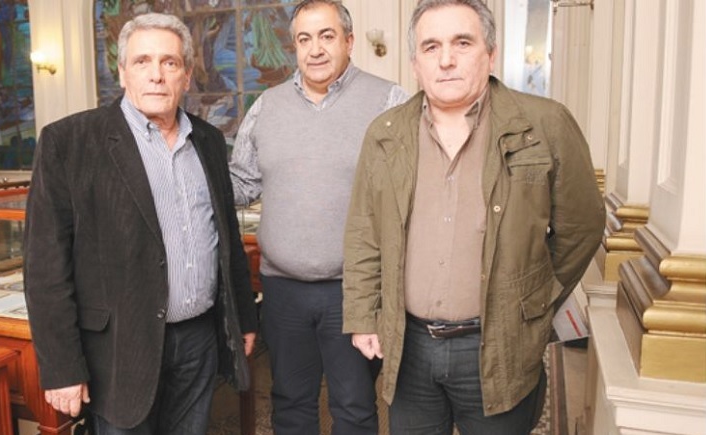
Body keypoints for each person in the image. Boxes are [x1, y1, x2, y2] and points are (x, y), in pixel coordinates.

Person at [342, 0, 605, 434]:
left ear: (491, 53)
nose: (446, 59)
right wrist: (362, 316)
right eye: (431, 47)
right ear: (415, 63)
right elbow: (363, 234)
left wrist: (533, 302)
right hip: (409, 347)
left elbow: (582, 227)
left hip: (499, 346)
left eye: (462, 43)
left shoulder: (545, 125)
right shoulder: (385, 135)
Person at [23, 13, 258, 435]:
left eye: (169, 62)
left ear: (187, 75)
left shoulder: (208, 140)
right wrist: (61, 367)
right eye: (142, 61)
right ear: (122, 72)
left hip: (199, 341)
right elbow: (45, 269)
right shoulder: (69, 142)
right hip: (119, 351)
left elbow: (227, 240)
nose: (156, 75)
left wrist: (242, 320)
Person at [229, 1, 408, 433]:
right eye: (304, 39)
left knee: (354, 406)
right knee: (290, 403)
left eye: (327, 36)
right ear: (294, 46)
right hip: (281, 289)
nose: (315, 49)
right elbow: (241, 184)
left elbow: (409, 193)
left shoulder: (389, 100)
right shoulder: (266, 106)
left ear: (349, 40)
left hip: (355, 291)